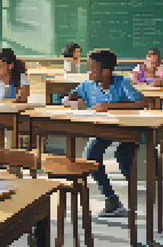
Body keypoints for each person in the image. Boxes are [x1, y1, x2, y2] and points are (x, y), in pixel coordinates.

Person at [62, 49, 146, 217]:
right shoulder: (87, 85)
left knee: (123, 155)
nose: (89, 72)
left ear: (106, 72)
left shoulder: (122, 83)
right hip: (103, 129)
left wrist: (108, 106)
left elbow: (140, 103)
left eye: (93, 69)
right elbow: (67, 98)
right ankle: (112, 200)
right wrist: (73, 103)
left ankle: (135, 198)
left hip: (127, 129)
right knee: (90, 155)